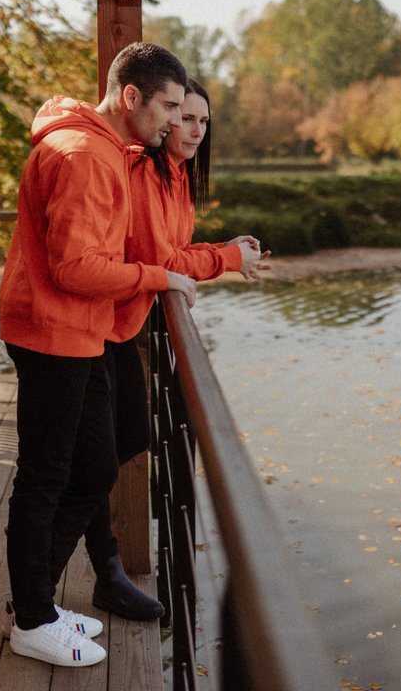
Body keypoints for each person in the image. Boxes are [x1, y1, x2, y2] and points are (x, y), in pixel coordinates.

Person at [0, 42, 198, 668]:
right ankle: (31, 619)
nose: (174, 121)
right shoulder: (85, 155)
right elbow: (77, 267)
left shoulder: (107, 146)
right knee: (46, 476)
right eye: (168, 106)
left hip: (77, 330)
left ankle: (35, 605)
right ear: (130, 96)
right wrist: (158, 279)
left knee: (92, 468)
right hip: (52, 331)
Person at [79, 79, 269, 620]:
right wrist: (226, 260)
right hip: (100, 327)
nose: (193, 130)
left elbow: (175, 253)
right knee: (90, 464)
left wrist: (227, 251)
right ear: (160, 115)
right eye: (183, 117)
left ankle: (95, 565)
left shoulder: (176, 176)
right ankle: (92, 573)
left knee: (122, 442)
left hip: (121, 327)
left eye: (203, 121)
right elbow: (154, 259)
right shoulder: (140, 170)